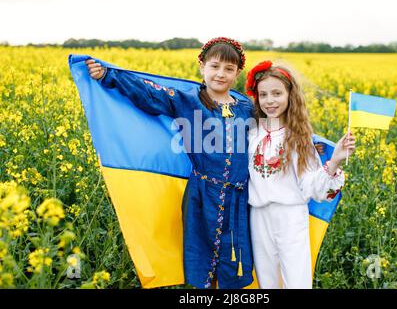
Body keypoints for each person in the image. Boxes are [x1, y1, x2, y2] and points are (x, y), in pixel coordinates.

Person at [85, 37, 254, 289]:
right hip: (203, 194)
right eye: (215, 66)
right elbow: (148, 93)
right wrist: (108, 75)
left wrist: (314, 147)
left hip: (239, 198)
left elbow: (279, 128)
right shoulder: (188, 101)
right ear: (202, 67)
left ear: (238, 72)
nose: (221, 74)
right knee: (203, 257)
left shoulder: (247, 107)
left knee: (235, 259)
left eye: (229, 69)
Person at [245, 61, 356, 289]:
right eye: (263, 94)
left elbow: (311, 186)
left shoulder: (298, 137)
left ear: (290, 95)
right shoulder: (252, 133)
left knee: (296, 280)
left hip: (290, 215)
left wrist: (334, 160)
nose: (270, 101)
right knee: (266, 280)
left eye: (277, 93)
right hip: (258, 216)